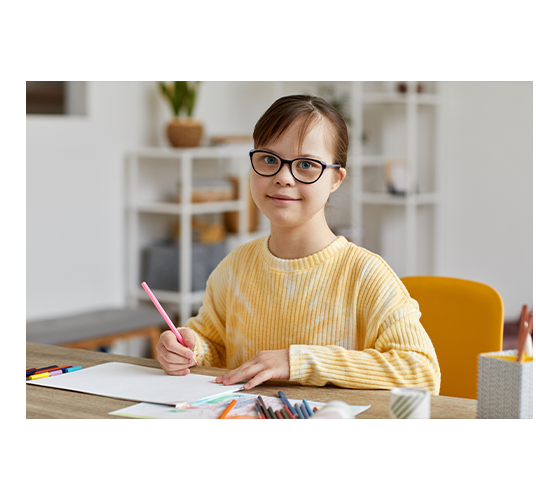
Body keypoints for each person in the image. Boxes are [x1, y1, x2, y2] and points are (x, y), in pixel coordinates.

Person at [155, 95, 440, 393]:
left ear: (335, 179)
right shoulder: (234, 267)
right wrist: (186, 349)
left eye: (305, 164)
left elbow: (422, 372)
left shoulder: (366, 275)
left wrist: (300, 361)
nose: (283, 177)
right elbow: (215, 347)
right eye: (268, 159)